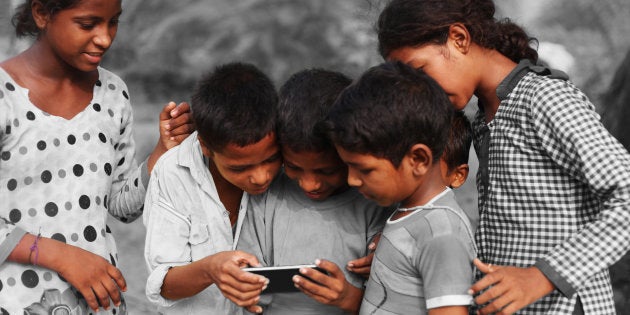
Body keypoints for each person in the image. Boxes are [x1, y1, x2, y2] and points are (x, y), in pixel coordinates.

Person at [377, 0, 630, 314]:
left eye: (421, 72)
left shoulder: (546, 98)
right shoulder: (487, 117)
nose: (424, 92)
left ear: (458, 38)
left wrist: (541, 276)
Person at [0, 0, 192, 313]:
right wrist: (61, 256)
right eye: (88, 24)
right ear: (42, 13)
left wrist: (162, 151)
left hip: (100, 304)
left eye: (113, 21)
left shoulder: (113, 93)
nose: (105, 38)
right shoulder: (4, 95)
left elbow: (121, 206)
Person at [324, 61, 476, 315]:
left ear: (417, 160)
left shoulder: (441, 234)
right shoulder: (410, 214)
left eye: (365, 169)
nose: (352, 180)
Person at [236, 68, 390, 314]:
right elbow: (247, 274)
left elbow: (391, 301)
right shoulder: (266, 197)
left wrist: (348, 298)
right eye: (294, 167)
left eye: (327, 171)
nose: (310, 184)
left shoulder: (373, 203)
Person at [143, 62, 282, 314]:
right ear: (205, 146)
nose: (261, 177)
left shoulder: (291, 169)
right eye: (240, 168)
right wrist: (210, 269)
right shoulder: (173, 173)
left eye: (271, 159)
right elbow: (163, 285)